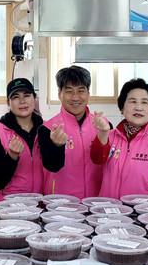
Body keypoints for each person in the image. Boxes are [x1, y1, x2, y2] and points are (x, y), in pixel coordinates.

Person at [90, 78, 148, 198]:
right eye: (133, 101)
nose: (138, 107)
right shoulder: (109, 136)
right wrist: (103, 132)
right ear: (122, 107)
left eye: (144, 102)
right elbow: (97, 159)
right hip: (108, 208)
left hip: (141, 209)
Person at [0, 78, 51, 222]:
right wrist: (12, 156)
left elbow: (54, 166)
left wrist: (58, 145)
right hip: (4, 207)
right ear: (8, 103)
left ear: (34, 98)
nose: (22, 101)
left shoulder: (46, 129)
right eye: (15, 97)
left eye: (27, 95)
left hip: (36, 206)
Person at [40, 66, 102, 199]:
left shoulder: (103, 126)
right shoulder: (48, 128)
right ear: (59, 94)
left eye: (81, 91)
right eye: (69, 91)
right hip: (60, 204)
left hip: (94, 203)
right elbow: (51, 166)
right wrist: (56, 146)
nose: (75, 97)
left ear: (88, 93)